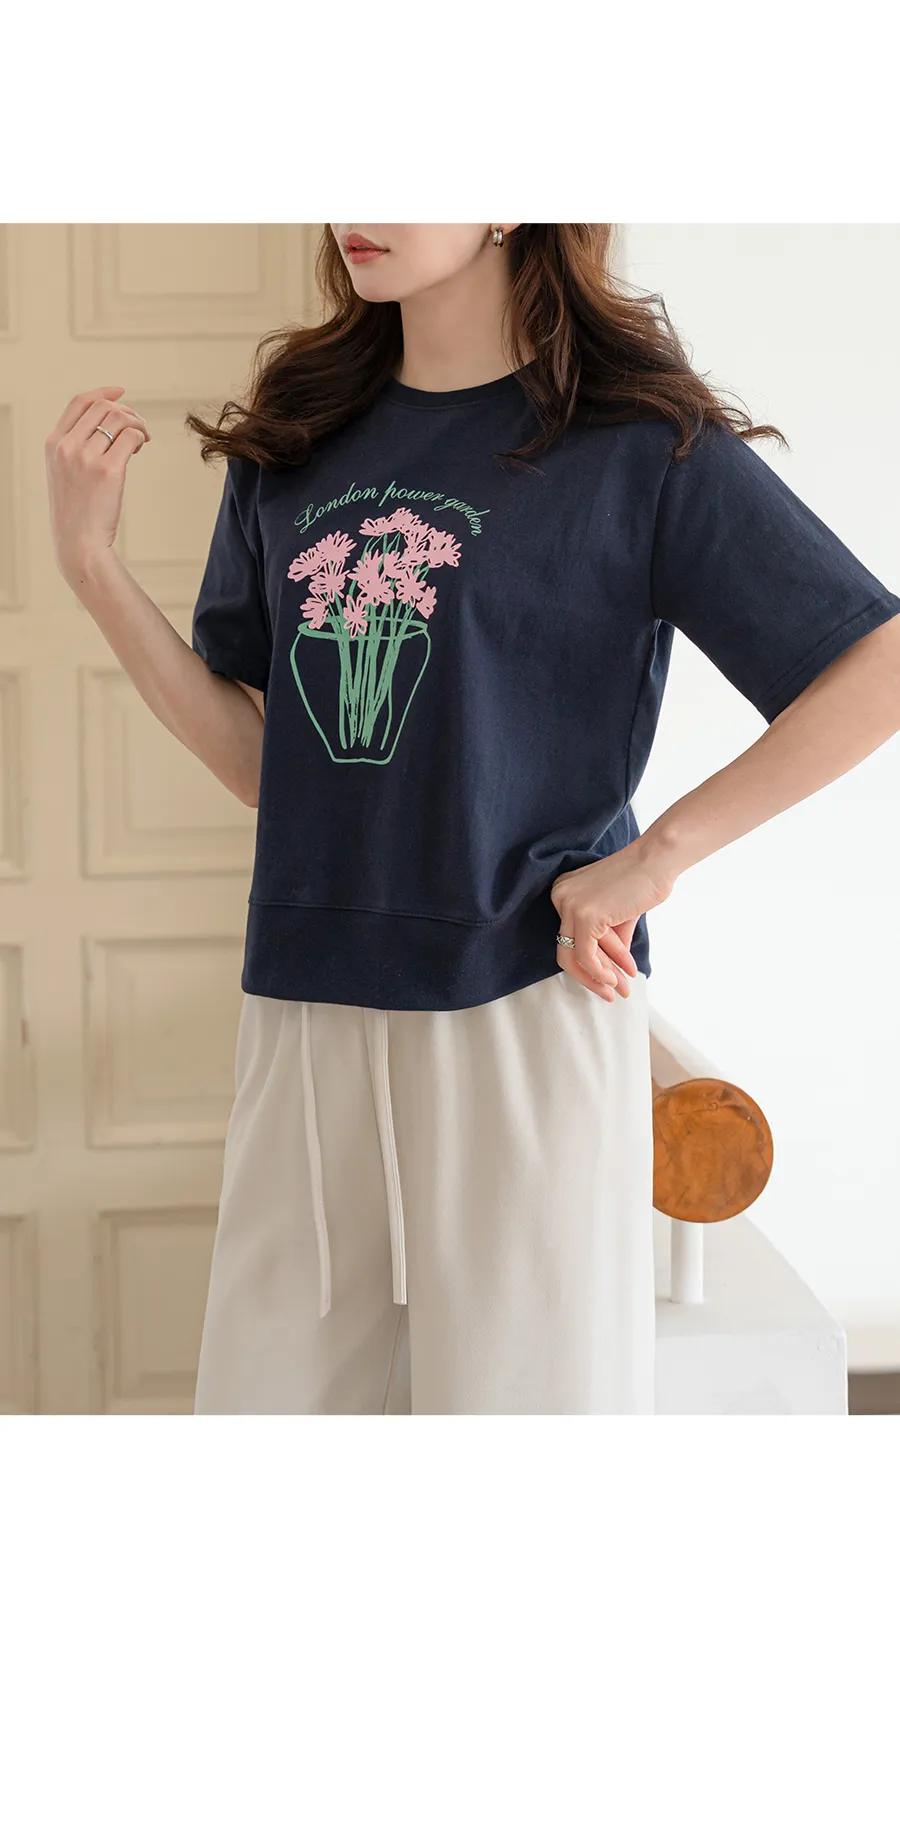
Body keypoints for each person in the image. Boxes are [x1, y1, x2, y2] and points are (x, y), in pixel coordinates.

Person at [45, 223, 900, 1416]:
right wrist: (92, 565)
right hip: (307, 1009)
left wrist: (653, 859)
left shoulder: (632, 439)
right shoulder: (300, 429)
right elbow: (261, 765)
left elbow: (875, 664)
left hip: (521, 1006)